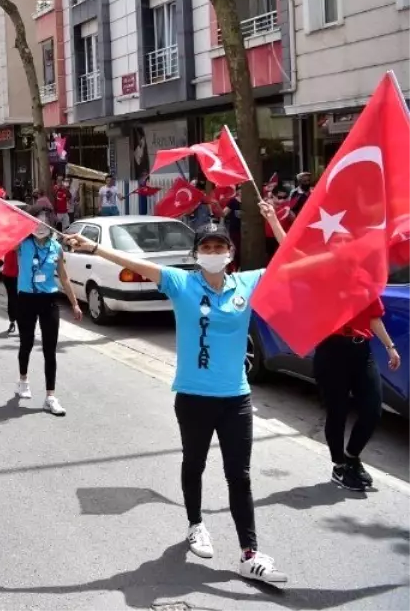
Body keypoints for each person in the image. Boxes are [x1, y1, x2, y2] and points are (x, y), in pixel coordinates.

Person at [63, 202, 289, 584]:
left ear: (230, 253)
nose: (215, 254)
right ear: (196, 254)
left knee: (240, 476)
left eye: (221, 248)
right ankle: (195, 523)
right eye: (208, 248)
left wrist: (272, 220)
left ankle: (249, 554)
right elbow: (133, 262)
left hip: (236, 398)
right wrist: (94, 248)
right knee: (194, 464)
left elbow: (291, 260)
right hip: (193, 397)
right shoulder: (181, 283)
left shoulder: (246, 284)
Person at [313, 298, 401, 491]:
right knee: (337, 412)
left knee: (373, 409)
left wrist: (390, 348)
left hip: (361, 350)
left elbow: (373, 318)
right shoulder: (326, 285)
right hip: (332, 351)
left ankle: (352, 456)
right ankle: (340, 466)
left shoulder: (366, 284)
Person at [16, 211, 81, 416]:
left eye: (45, 222)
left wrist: (75, 304)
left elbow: (64, 277)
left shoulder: (56, 248)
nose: (41, 225)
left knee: (49, 349)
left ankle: (50, 397)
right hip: (26, 299)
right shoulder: (21, 244)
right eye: (37, 221)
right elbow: (3, 239)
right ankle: (23, 380)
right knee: (26, 342)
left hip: (49, 301)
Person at [1, 244, 19, 335]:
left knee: (23, 300)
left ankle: (20, 322)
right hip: (9, 275)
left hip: (21, 275)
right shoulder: (12, 238)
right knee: (12, 299)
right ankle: (12, 321)